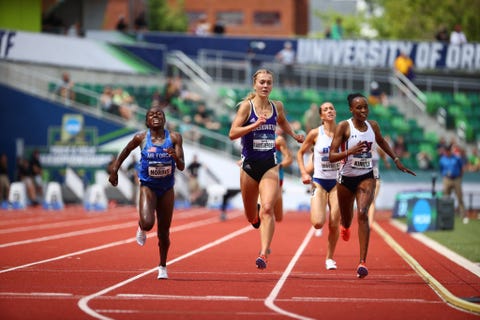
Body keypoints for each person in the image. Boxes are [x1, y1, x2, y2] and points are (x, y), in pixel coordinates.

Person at [329, 93, 415, 278]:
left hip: (367, 176)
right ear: (351, 109)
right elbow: (331, 156)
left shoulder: (372, 126)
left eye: (365, 107)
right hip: (345, 178)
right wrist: (350, 151)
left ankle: (362, 262)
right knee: (346, 219)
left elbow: (381, 141)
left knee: (362, 214)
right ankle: (345, 226)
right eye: (358, 108)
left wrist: (396, 159)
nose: (363, 111)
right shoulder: (344, 126)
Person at [228, 68, 304, 270]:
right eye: (262, 82)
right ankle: (254, 217)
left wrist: (294, 135)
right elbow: (232, 133)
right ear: (255, 84)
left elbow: (283, 122)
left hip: (270, 164)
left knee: (268, 208)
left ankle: (263, 253)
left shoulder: (277, 106)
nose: (265, 86)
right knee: (251, 216)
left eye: (269, 82)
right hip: (250, 166)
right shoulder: (247, 107)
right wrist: (254, 126)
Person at [108, 105, 185, 279]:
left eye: (159, 114)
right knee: (149, 223)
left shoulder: (174, 137)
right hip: (148, 186)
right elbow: (126, 150)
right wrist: (114, 170)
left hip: (167, 189)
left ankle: (162, 266)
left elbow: (181, 166)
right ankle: (142, 227)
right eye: (152, 114)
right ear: (147, 121)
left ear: (164, 119)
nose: (156, 115)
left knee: (164, 232)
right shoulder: (141, 137)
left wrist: (174, 156)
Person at [297, 102, 341, 270]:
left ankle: (329, 258)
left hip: (338, 183)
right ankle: (317, 208)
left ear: (335, 113)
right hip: (319, 182)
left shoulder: (344, 132)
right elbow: (300, 153)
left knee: (334, 222)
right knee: (317, 223)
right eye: (326, 110)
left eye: (332, 108)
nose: (329, 111)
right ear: (321, 116)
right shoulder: (315, 133)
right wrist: (303, 172)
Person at [439, 144, 467, 224]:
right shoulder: (442, 159)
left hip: (456, 179)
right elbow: (441, 169)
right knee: (445, 197)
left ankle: (463, 216)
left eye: (449, 151)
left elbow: (461, 168)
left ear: (450, 150)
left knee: (460, 197)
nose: (447, 152)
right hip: (447, 179)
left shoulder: (457, 158)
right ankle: (445, 216)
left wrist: (459, 177)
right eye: (446, 151)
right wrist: (444, 176)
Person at [367, 143, 390, 226]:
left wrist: (386, 162)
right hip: (365, 178)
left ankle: (370, 223)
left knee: (372, 200)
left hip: (376, 177)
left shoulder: (376, 147)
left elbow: (383, 154)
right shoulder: (362, 147)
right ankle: (366, 218)